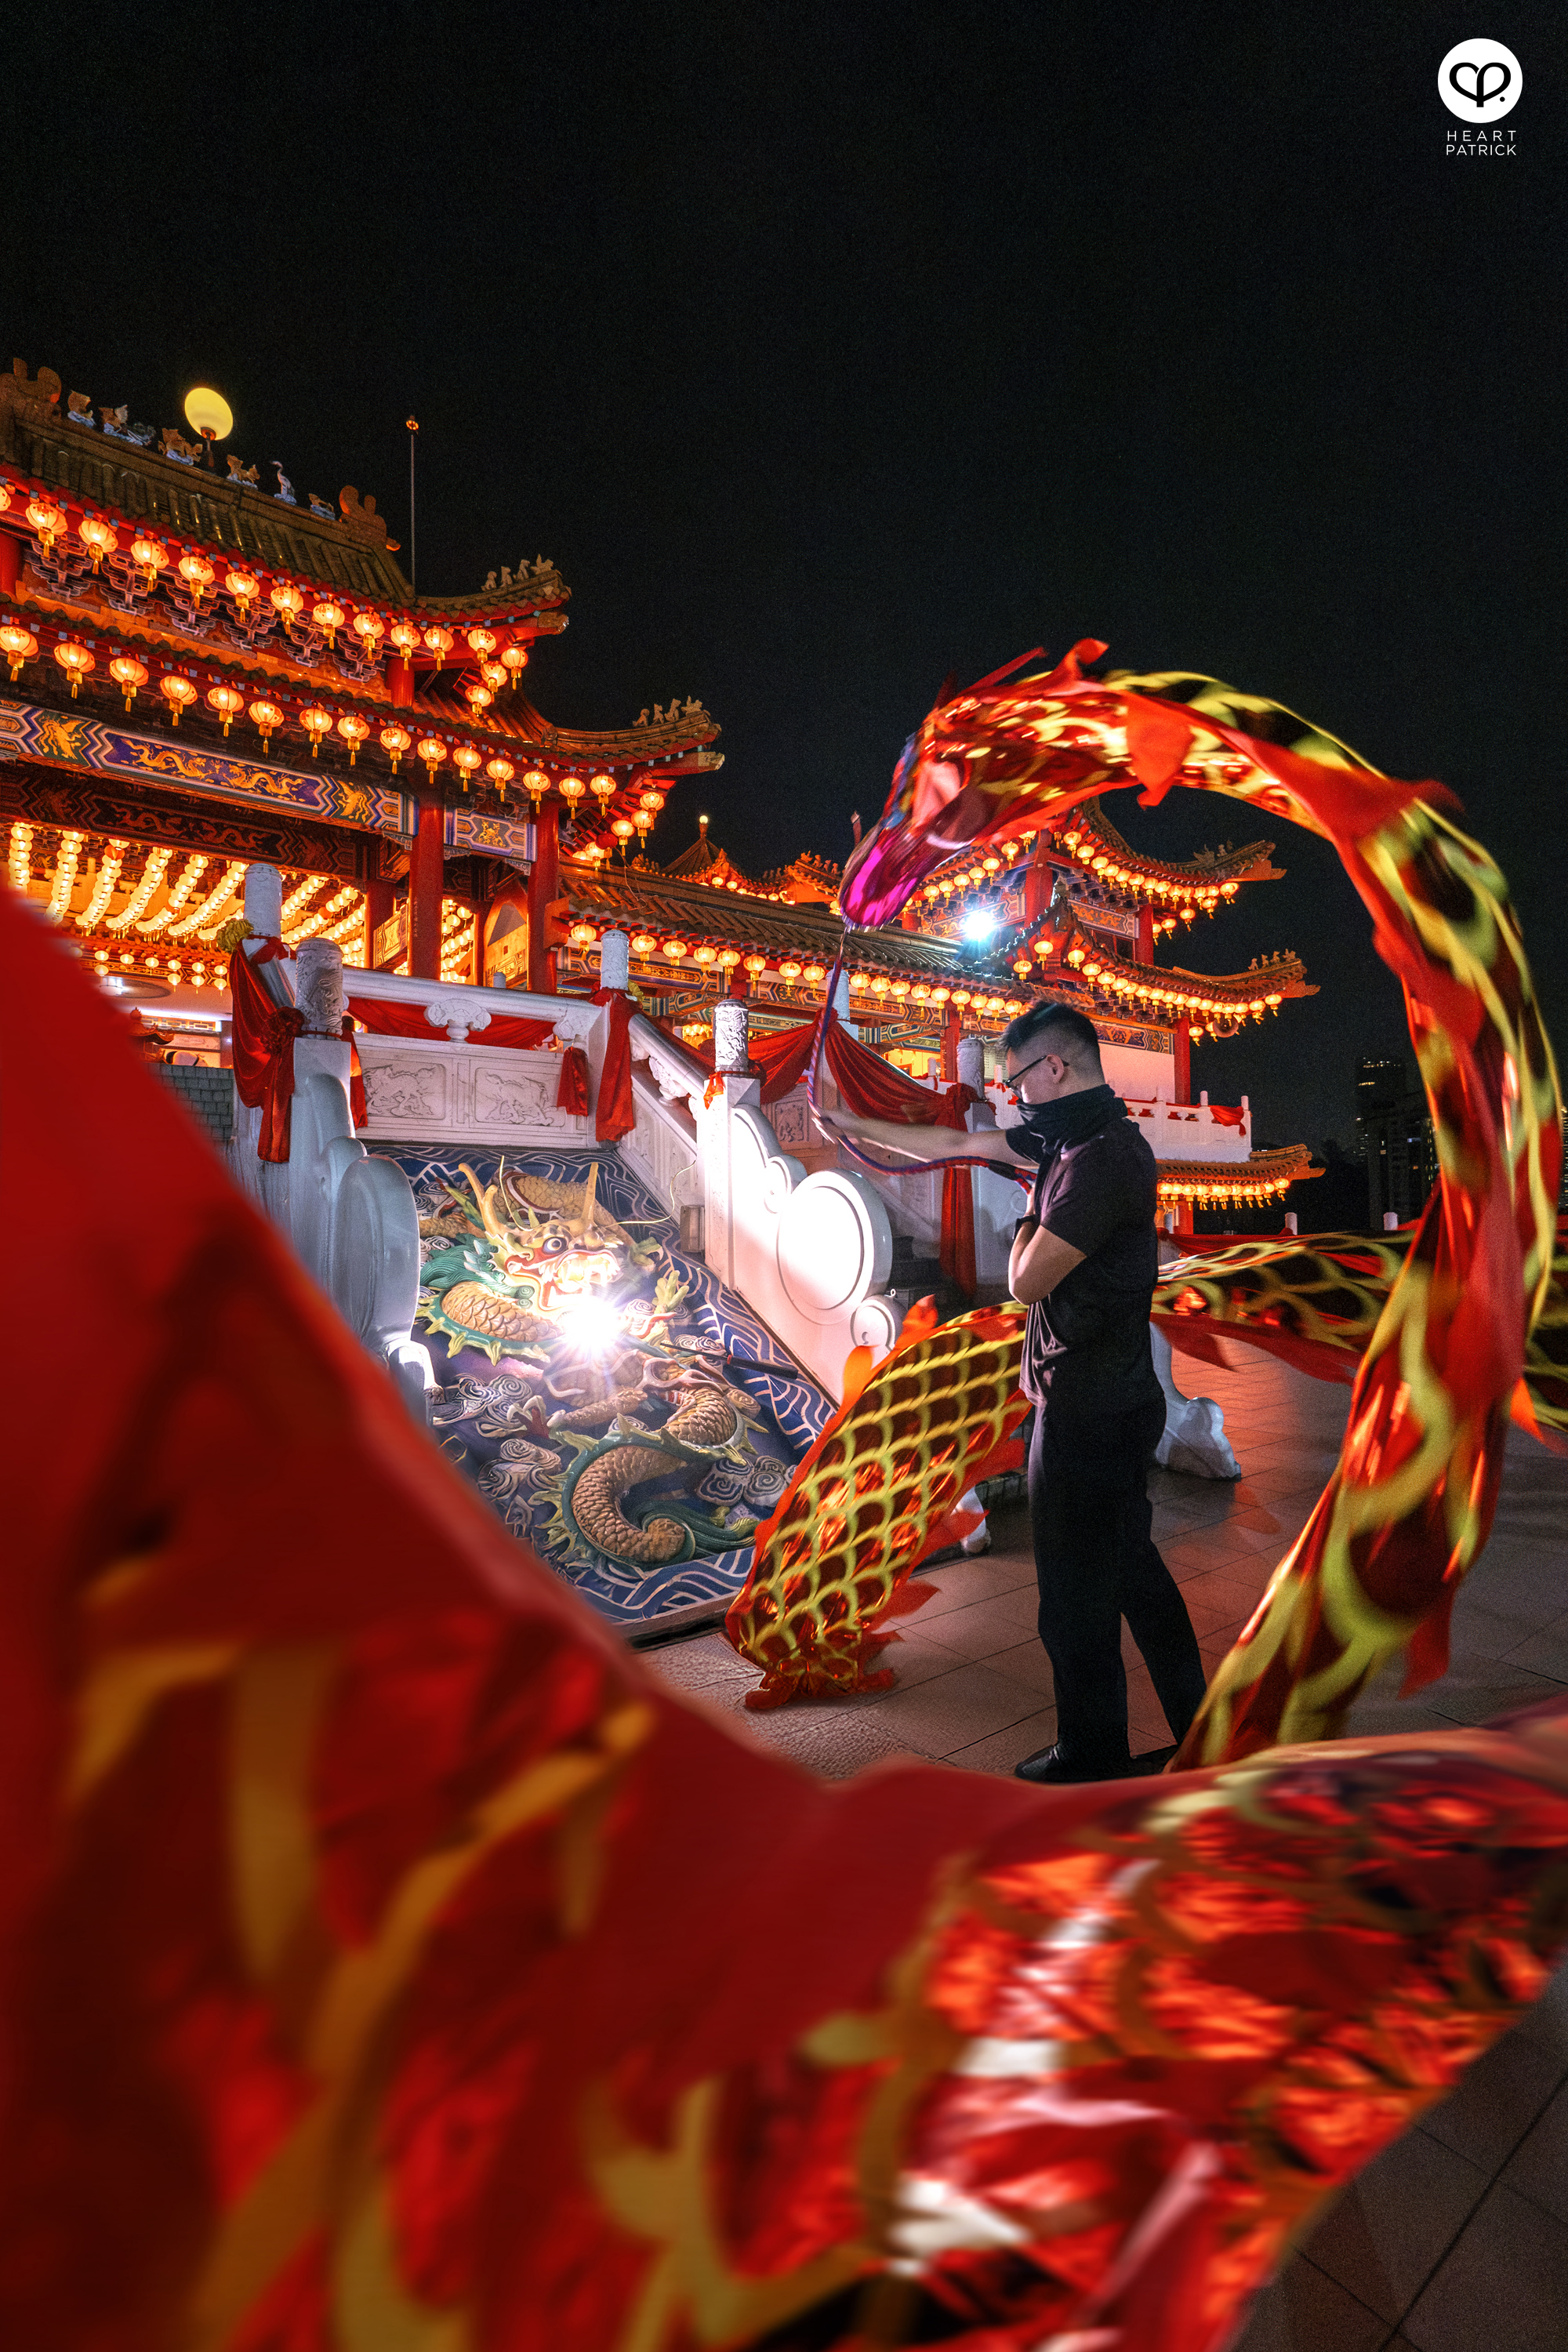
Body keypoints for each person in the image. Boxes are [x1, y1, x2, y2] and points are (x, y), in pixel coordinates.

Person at [826, 1000, 1206, 1783]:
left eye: (1016, 1077)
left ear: (1053, 1068)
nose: (1009, 1095)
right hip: (1100, 1396)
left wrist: (1025, 1223)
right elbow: (962, 1141)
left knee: (1073, 1595)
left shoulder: (1101, 1158)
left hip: (1088, 1406)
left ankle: (1093, 1751)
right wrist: (856, 1129)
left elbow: (1026, 1277)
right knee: (1131, 1572)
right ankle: (1205, 1734)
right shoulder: (1070, 1134)